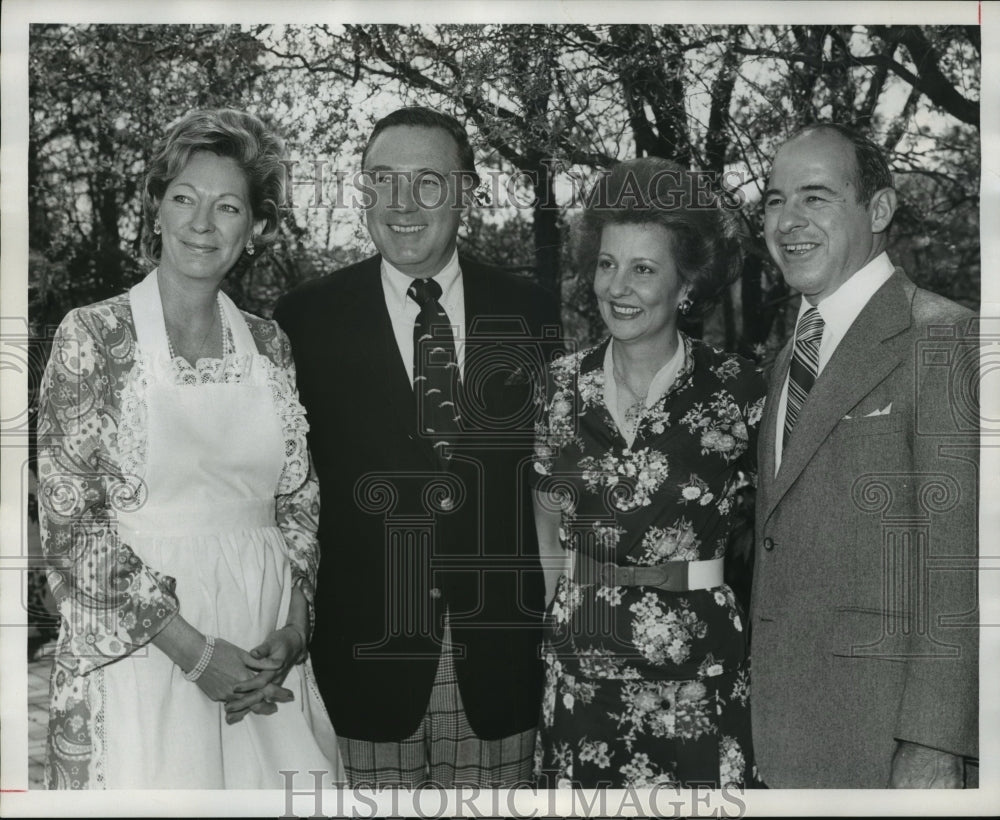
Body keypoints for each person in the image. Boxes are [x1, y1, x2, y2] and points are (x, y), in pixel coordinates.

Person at [36, 108, 343, 789]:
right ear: (156, 208)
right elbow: (71, 529)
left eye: (227, 206)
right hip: (145, 661)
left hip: (265, 677)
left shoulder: (271, 345)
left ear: (256, 226)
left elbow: (297, 502)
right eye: (184, 198)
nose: (202, 224)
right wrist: (199, 657)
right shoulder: (93, 337)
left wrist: (293, 631)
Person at [273, 106, 560, 787]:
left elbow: (553, 487)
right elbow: (283, 496)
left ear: (465, 191)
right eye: (383, 181)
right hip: (363, 669)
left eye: (428, 182)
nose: (402, 204)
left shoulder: (531, 314)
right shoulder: (304, 322)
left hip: (498, 670)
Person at [752, 123, 979, 787]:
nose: (788, 221)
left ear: (878, 210)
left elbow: (961, 565)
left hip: (889, 747)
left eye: (815, 198)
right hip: (786, 737)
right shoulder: (788, 360)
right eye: (773, 200)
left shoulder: (945, 336)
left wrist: (935, 745)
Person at [531, 157, 766, 788]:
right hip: (581, 675)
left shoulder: (740, 388)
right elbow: (548, 527)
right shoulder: (558, 386)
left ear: (686, 282)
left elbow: (782, 526)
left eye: (643, 268)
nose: (618, 287)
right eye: (608, 264)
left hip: (700, 675)